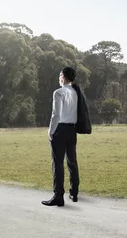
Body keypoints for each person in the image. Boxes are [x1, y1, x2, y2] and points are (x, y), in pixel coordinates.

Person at [42, 67, 80, 207]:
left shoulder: (58, 92)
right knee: (72, 162)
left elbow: (56, 115)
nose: (59, 78)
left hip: (60, 129)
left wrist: (50, 131)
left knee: (57, 164)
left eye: (60, 75)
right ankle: (74, 192)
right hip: (72, 130)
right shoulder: (76, 93)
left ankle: (58, 196)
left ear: (63, 76)